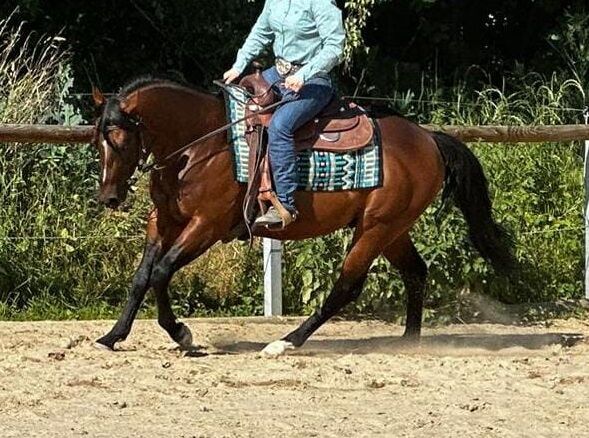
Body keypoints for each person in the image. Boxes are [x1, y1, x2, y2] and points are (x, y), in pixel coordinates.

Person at [224, 0, 346, 228]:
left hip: (314, 81)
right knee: (239, 102)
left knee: (280, 127)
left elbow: (334, 46)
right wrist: (238, 66)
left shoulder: (320, 4)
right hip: (277, 74)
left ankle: (285, 205)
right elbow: (260, 33)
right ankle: (242, 191)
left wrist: (304, 75)